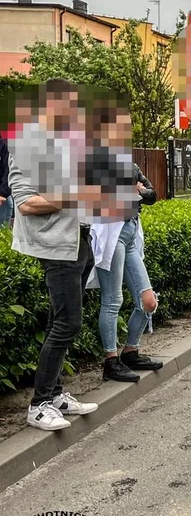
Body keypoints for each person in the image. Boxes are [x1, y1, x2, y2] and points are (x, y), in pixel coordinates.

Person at [7, 79, 99, 431]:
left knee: (59, 320)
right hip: (56, 246)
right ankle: (39, 404)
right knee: (68, 323)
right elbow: (26, 203)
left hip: (79, 240)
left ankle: (56, 393)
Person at [86, 105, 163, 383]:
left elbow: (152, 194)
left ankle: (131, 350)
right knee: (113, 300)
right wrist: (132, 192)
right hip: (111, 233)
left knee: (148, 301)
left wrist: (138, 192)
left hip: (131, 231)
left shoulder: (129, 165)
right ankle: (110, 360)